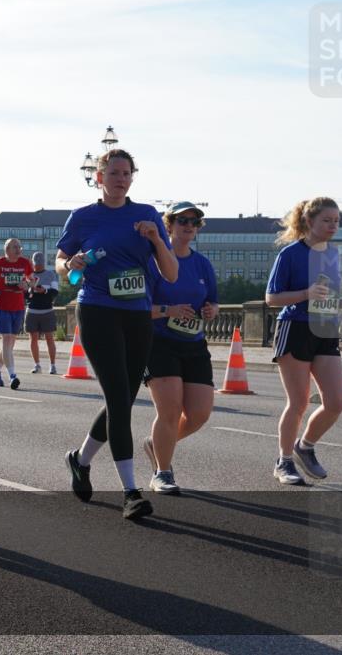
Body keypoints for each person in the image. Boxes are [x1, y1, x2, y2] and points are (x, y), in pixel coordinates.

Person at [55, 149, 178, 520]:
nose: (121, 179)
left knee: (120, 400)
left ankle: (80, 460)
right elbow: (60, 262)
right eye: (113, 173)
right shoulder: (83, 217)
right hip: (96, 310)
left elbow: (170, 274)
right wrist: (70, 263)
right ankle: (130, 491)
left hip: (137, 315)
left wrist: (157, 239)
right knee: (118, 398)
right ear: (99, 177)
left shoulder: (146, 215)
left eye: (127, 173)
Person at [266, 197, 342, 486]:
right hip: (295, 327)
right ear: (310, 222)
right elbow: (272, 298)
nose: (333, 226)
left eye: (337, 221)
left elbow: (326, 299)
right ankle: (284, 461)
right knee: (298, 402)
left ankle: (304, 446)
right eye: (327, 220)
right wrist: (305, 293)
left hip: (326, 330)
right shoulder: (291, 254)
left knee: (335, 402)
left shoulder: (333, 254)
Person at [142, 202, 218, 494]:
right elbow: (138, 307)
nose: (189, 225)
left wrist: (212, 310)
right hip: (159, 342)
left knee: (199, 414)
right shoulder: (153, 261)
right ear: (169, 225)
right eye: (182, 220)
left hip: (194, 344)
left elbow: (213, 301)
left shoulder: (202, 264)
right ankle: (162, 471)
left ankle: (157, 444)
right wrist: (168, 310)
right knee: (170, 410)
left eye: (194, 222)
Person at [0, 238, 33, 389]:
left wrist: (28, 284)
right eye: (15, 247)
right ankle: (12, 375)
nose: (19, 249)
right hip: (1, 305)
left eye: (19, 247)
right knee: (6, 340)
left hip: (18, 306)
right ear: (7, 249)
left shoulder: (24, 263)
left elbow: (33, 280)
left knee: (10, 344)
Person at [25, 252, 60, 375]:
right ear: (33, 263)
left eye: (39, 264)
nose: (37, 266)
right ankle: (37, 365)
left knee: (49, 338)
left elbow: (55, 292)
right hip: (32, 311)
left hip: (47, 311)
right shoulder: (28, 276)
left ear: (43, 263)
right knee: (33, 338)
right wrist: (31, 290)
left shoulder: (51, 275)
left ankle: (53, 365)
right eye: (36, 264)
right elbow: (25, 295)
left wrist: (44, 290)